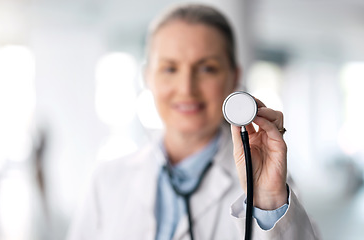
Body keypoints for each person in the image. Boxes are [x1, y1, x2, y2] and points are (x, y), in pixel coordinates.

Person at [67, 3, 318, 240]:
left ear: (234, 77)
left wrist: (266, 199)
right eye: (169, 68)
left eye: (207, 68)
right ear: (147, 77)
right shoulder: (107, 179)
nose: (186, 88)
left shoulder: (268, 183)